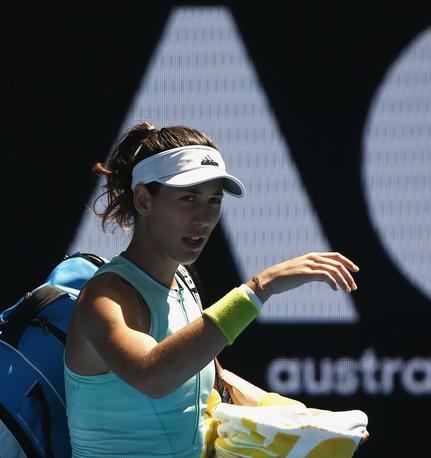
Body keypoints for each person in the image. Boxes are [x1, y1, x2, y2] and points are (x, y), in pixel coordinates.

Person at [64, 122, 361, 457]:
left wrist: (302, 417)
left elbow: (215, 377)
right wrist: (258, 289)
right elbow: (154, 377)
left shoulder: (184, 281)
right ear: (144, 200)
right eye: (188, 198)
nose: (203, 217)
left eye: (213, 200)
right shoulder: (104, 298)